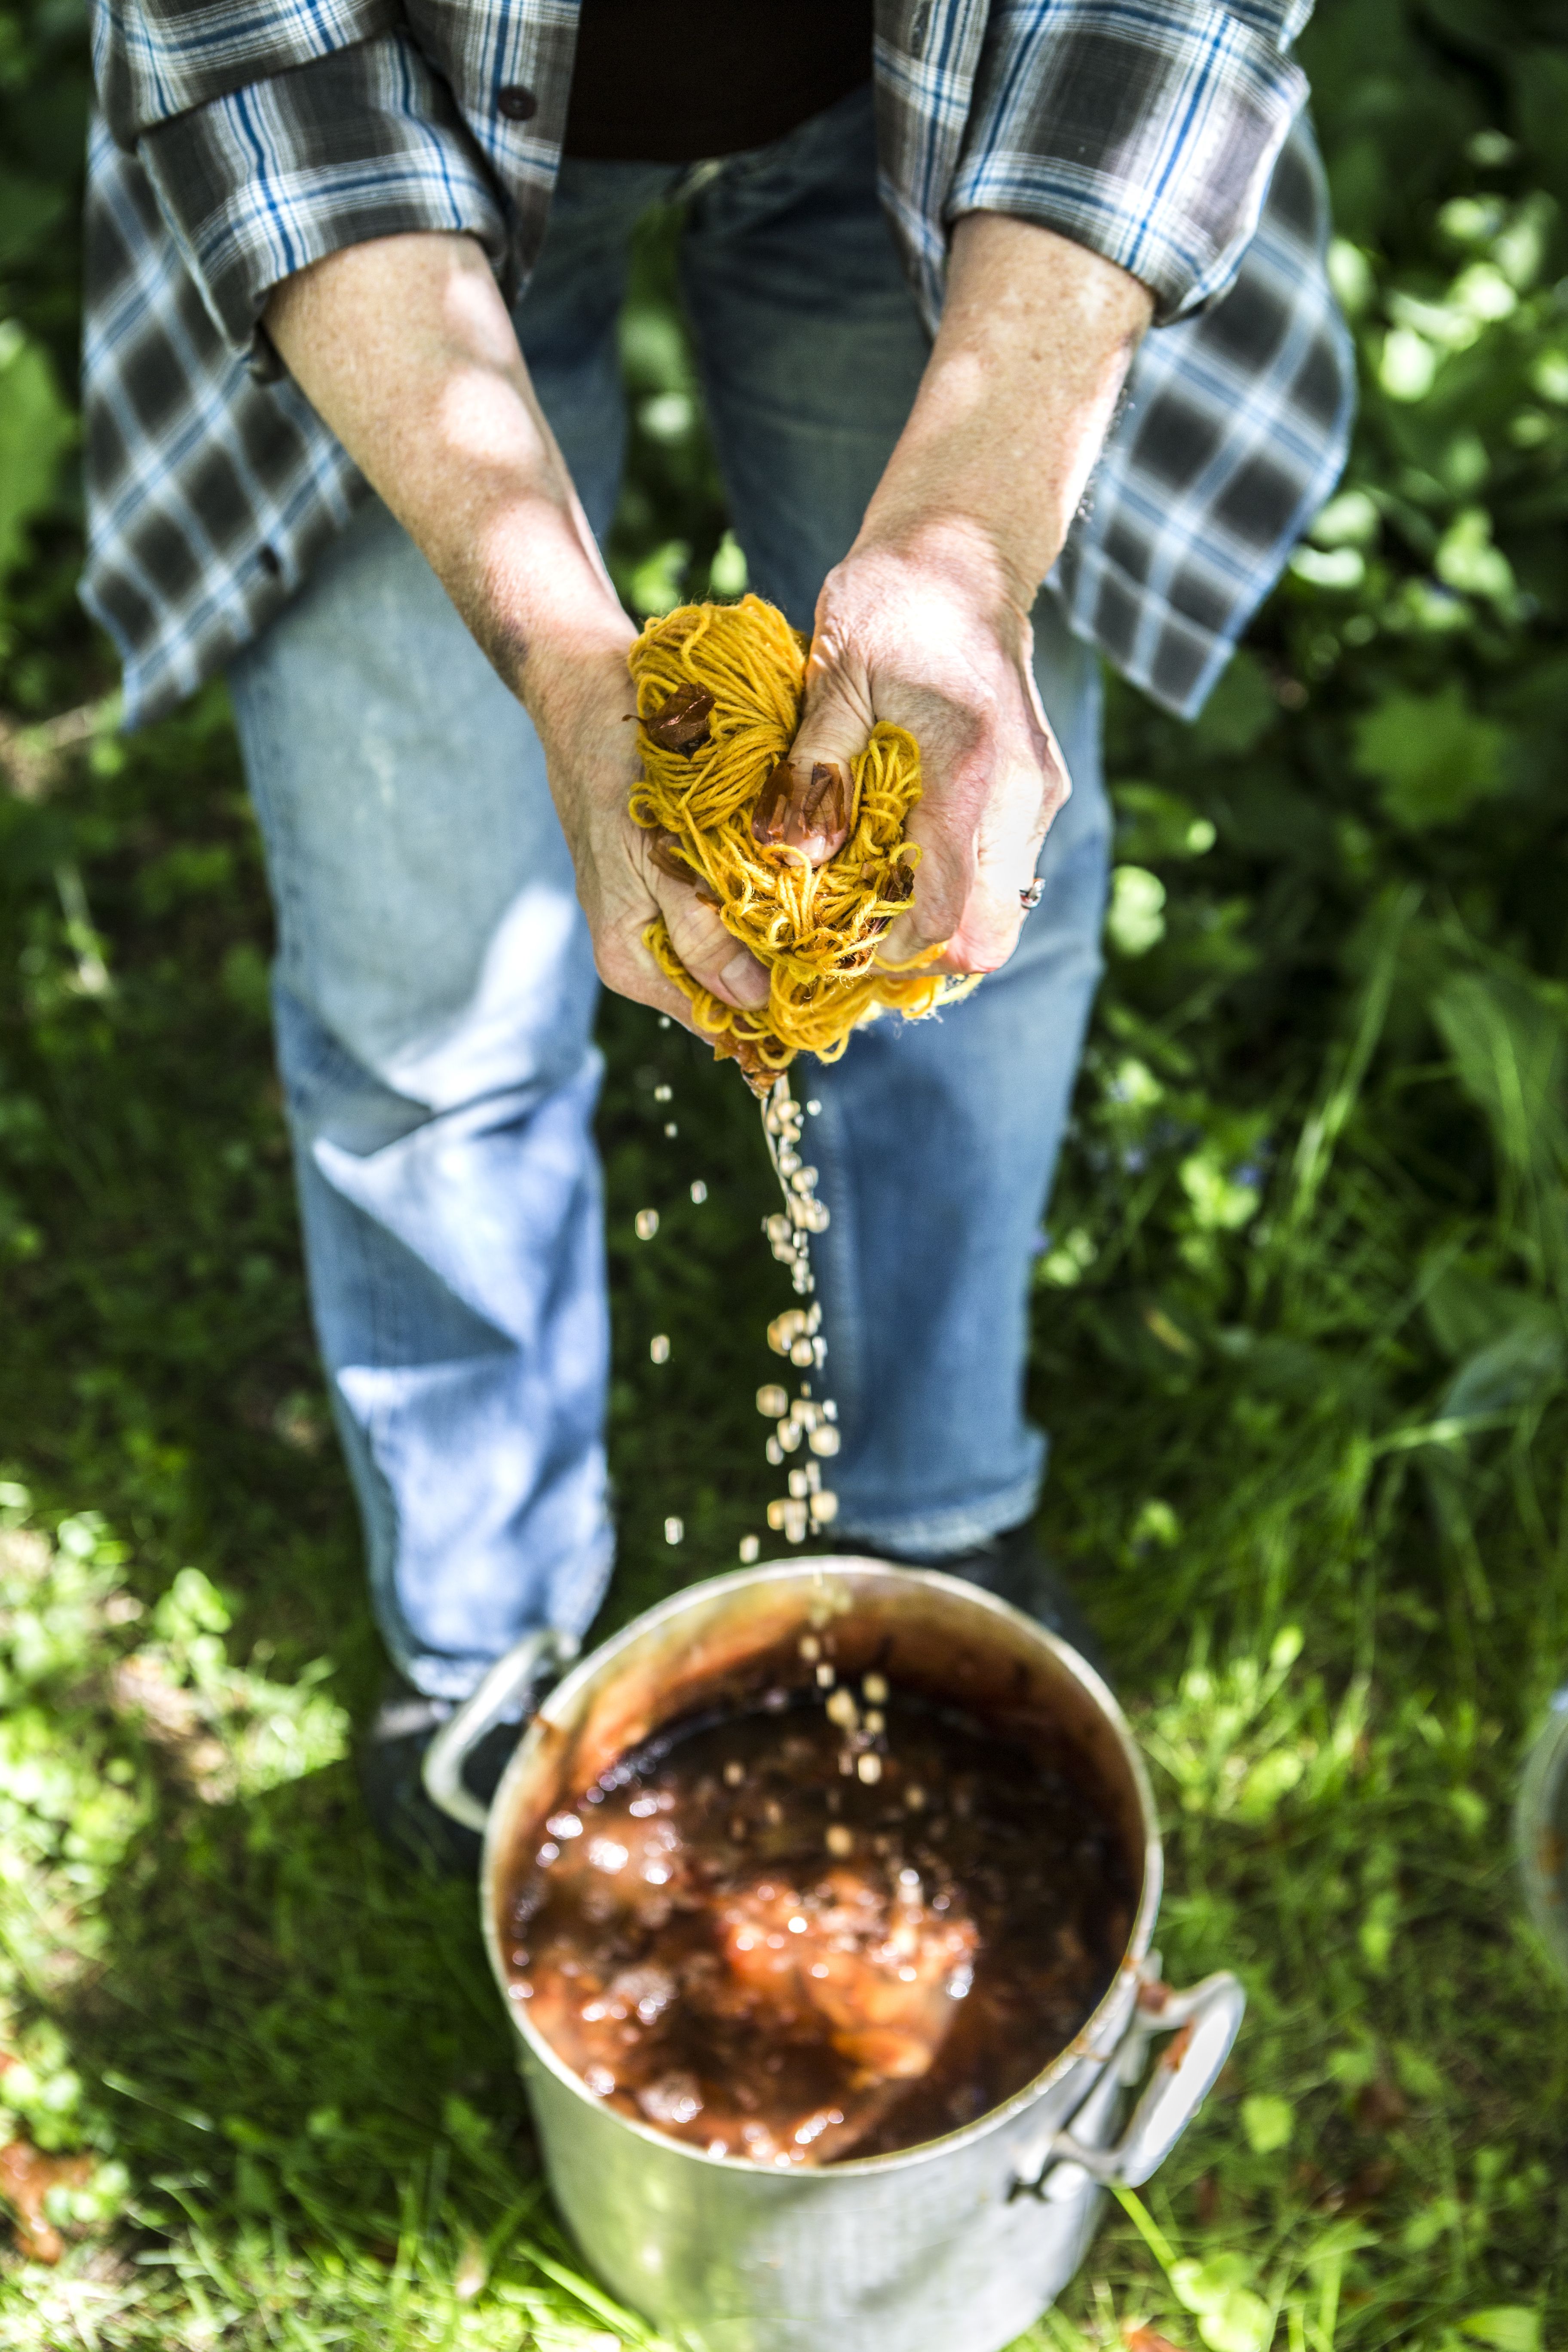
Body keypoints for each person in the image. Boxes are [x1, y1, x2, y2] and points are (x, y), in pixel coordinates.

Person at [83, 0, 1352, 1860]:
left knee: (955, 895)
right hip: (382, 131)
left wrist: (967, 552)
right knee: (418, 953)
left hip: (955, 110)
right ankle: (490, 1646)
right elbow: (273, 70)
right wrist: (568, 669)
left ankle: (930, 1521)